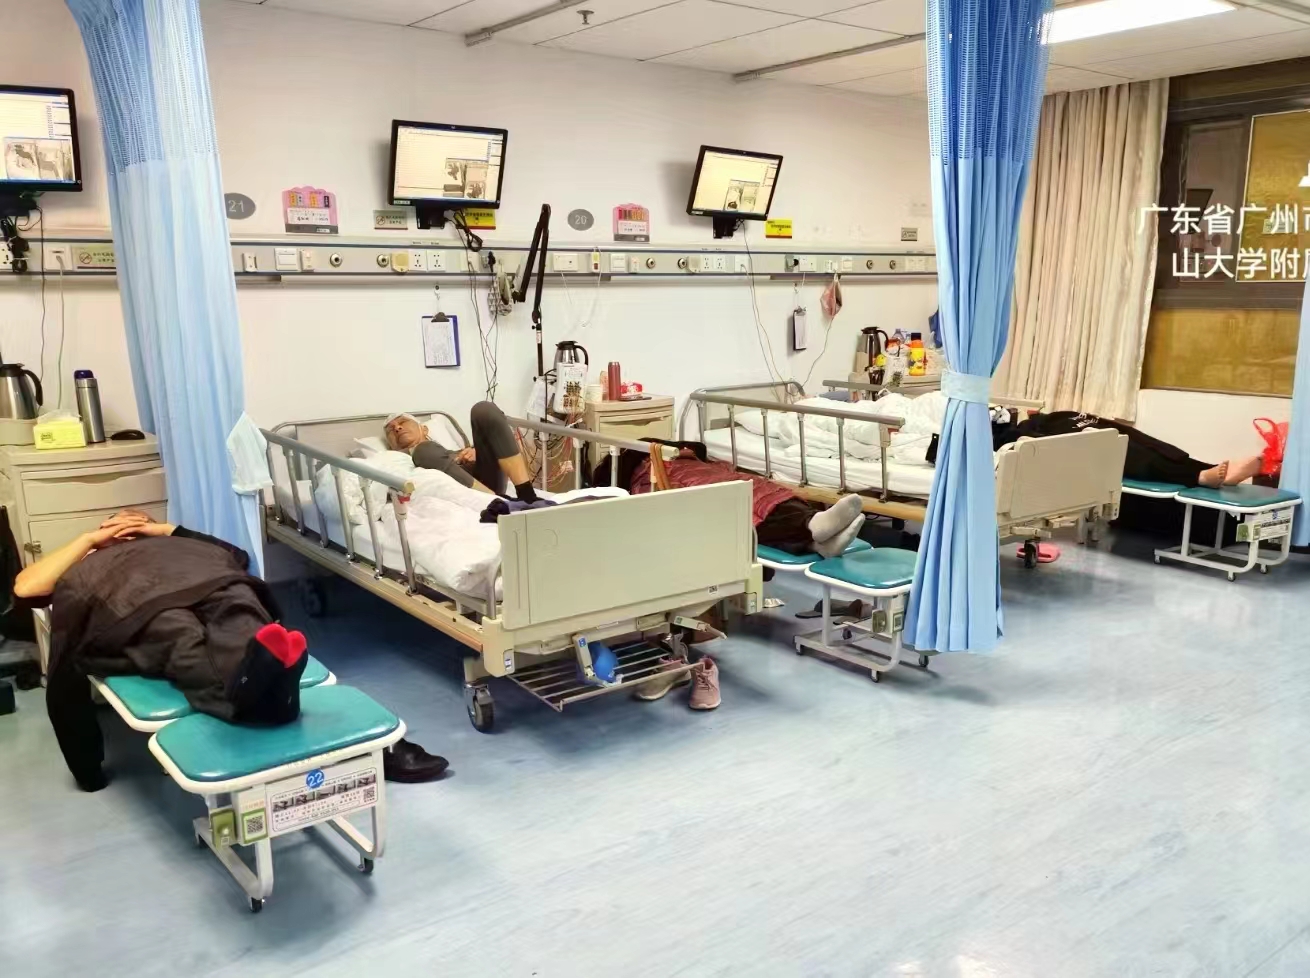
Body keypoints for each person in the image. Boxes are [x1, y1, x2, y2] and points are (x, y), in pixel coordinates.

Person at [14, 510, 447, 790]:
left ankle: (265, 669)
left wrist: (162, 530)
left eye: (134, 521)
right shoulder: (92, 559)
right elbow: (27, 587)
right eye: (116, 525)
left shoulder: (178, 543)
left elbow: (234, 556)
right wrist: (90, 540)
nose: (126, 527)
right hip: (142, 605)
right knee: (182, 640)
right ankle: (276, 686)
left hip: (216, 583)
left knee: (244, 619)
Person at [595, 442, 868, 559]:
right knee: (742, 505)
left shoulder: (684, 457)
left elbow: (714, 465)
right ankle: (814, 531)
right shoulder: (646, 475)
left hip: (710, 475)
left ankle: (815, 533)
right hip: (698, 485)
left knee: (758, 489)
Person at [991, 411, 1264, 488]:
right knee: (1127, 452)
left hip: (1052, 421)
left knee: (1139, 440)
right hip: (1036, 438)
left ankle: (1206, 468)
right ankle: (1200, 476)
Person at [384, 402, 541, 503]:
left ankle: (527, 495)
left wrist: (477, 452)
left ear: (424, 429)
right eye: (391, 430)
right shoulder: (389, 464)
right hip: (482, 495)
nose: (397, 427)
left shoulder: (455, 451)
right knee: (423, 450)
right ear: (391, 445)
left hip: (485, 477)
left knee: (483, 409)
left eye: (403, 422)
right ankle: (499, 501)